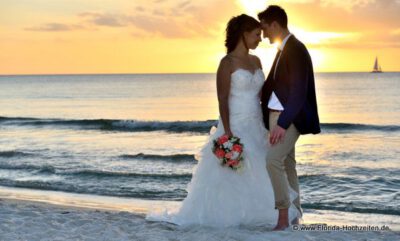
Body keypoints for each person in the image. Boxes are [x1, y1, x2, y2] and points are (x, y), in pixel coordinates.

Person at [146, 14, 300, 228]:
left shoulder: (256, 61)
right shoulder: (226, 63)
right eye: (256, 35)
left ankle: (270, 216)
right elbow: (222, 99)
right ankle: (231, 217)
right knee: (232, 175)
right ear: (243, 34)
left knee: (262, 170)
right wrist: (227, 132)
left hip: (257, 124)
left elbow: (262, 95)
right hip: (234, 124)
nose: (259, 39)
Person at [258, 5, 321, 230]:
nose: (263, 34)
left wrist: (283, 124)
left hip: (287, 119)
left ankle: (283, 217)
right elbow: (274, 86)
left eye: (265, 29)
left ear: (275, 24)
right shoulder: (283, 49)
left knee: (272, 161)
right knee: (288, 164)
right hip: (277, 117)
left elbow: (298, 91)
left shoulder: (295, 49)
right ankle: (295, 215)